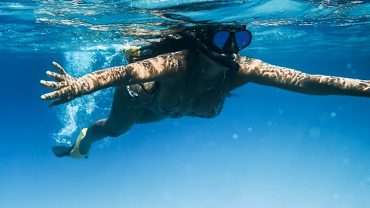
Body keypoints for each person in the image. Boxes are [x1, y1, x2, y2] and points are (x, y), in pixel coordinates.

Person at [40, 24, 370, 158]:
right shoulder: (177, 64)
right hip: (141, 97)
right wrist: (80, 85)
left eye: (238, 40)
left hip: (169, 108)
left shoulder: (244, 70)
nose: (230, 50)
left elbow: (304, 80)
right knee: (114, 129)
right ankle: (80, 145)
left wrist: (365, 87)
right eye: (221, 40)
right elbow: (125, 72)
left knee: (148, 118)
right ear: (200, 42)